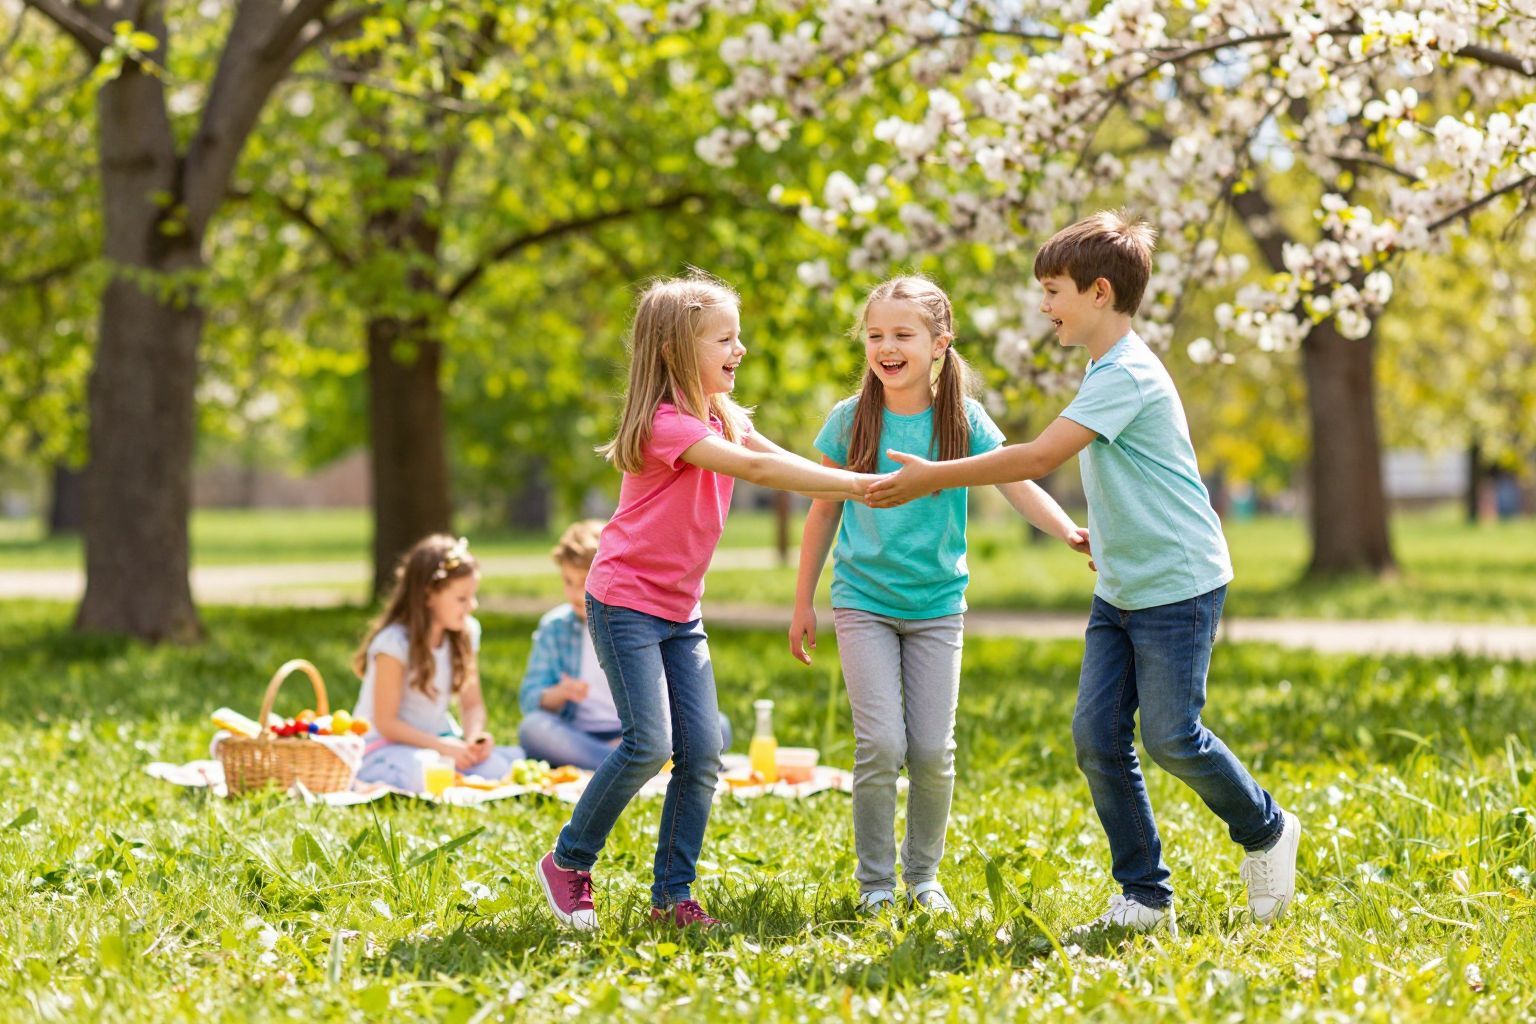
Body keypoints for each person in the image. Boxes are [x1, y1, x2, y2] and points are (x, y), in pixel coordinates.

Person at [867, 212, 1300, 935]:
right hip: (1122, 586)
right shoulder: (1103, 367)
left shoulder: (1128, 371)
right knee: (1097, 736)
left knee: (1169, 736)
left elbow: (1039, 458)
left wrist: (936, 474)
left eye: (1054, 290)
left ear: (1100, 293)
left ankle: (1265, 828)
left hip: (1179, 584)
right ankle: (1144, 896)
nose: (1045, 307)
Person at [534, 271, 878, 932]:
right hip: (626, 602)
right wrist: (859, 488)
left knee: (701, 755)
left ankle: (672, 897)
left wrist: (852, 482)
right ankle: (569, 861)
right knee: (647, 744)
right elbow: (756, 471)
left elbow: (778, 459)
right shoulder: (667, 426)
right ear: (674, 352)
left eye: (737, 336)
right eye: (724, 338)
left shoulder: (723, 415)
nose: (739, 349)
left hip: (679, 611)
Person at [790, 275, 1090, 916]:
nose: (886, 346)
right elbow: (820, 514)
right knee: (881, 746)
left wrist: (1067, 529)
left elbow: (1016, 480)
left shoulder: (962, 419)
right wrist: (801, 602)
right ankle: (874, 884)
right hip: (862, 600)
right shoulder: (850, 420)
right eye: (875, 335)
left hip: (936, 607)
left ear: (939, 345)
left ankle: (922, 877)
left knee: (930, 751)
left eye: (903, 334)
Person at [518, 518, 733, 769]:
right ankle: (629, 764)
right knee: (533, 729)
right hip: (582, 735)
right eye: (568, 582)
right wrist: (560, 694)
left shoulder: (640, 622)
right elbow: (530, 698)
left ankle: (625, 762)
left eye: (585, 582)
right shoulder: (555, 627)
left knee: (718, 726)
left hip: (645, 735)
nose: (576, 594)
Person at [353, 535, 523, 791]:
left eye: (472, 596)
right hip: (386, 746)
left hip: (439, 743)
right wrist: (442, 747)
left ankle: (455, 773)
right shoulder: (393, 643)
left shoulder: (465, 633)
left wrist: (474, 738)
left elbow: (472, 704)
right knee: (428, 771)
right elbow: (386, 722)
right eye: (461, 599)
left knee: (500, 767)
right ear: (428, 595)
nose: (472, 606)